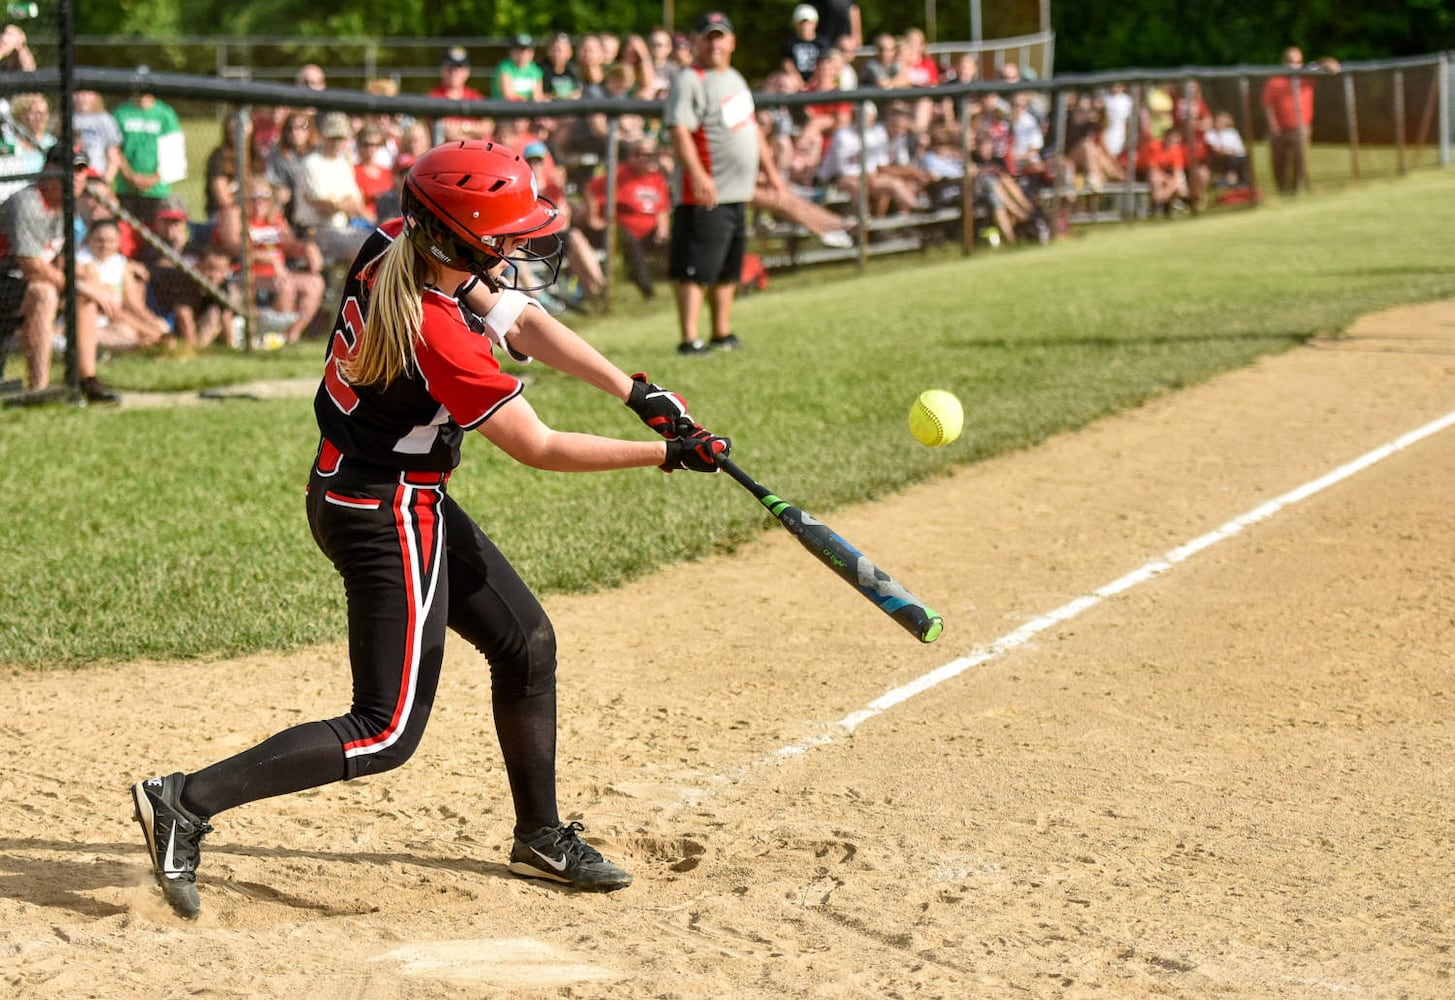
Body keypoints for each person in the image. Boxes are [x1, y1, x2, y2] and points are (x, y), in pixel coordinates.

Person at [129, 138, 731, 920]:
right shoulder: (437, 332)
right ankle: (183, 799)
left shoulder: (398, 244)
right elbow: (538, 447)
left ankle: (540, 834)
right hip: (383, 512)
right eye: (506, 235)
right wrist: (664, 454)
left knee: (526, 643)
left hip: (380, 492)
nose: (519, 246)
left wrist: (634, 389)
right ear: (462, 238)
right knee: (383, 731)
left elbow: (520, 318)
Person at [665, 12, 779, 355]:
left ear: (732, 42)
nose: (715, 43)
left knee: (728, 266)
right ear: (696, 42)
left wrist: (771, 171)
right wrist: (699, 175)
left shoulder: (735, 78)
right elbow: (679, 129)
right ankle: (689, 338)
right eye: (708, 36)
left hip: (735, 192)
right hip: (705, 193)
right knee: (696, 266)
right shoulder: (690, 79)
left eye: (720, 36)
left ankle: (721, 332)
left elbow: (751, 127)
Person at [0, 143, 117, 401]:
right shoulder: (28, 203)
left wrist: (91, 283)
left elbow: (60, 258)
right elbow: (30, 264)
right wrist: (80, 286)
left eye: (81, 170)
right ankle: (38, 389)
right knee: (45, 293)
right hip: (6, 283)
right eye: (70, 170)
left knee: (85, 293)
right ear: (50, 171)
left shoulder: (65, 208)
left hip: (20, 287)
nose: (76, 177)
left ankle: (87, 379)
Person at [585, 138, 671, 300]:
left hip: (650, 230)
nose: (647, 158)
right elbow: (591, 189)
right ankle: (647, 290)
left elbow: (662, 209)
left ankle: (682, 282)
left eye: (651, 155)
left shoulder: (657, 179)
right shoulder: (619, 175)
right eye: (641, 154)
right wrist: (594, 219)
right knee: (629, 241)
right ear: (632, 156)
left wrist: (663, 230)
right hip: (625, 231)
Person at [76, 217, 171, 350]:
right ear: (89, 239)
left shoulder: (120, 263)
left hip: (117, 321)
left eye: (111, 241)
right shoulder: (83, 262)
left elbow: (133, 304)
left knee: (161, 325)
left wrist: (155, 326)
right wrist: (150, 331)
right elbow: (109, 310)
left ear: (118, 242)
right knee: (127, 334)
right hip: (93, 323)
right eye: (99, 240)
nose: (105, 246)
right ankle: (143, 345)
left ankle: (146, 343)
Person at [294, 111, 371, 267]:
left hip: (341, 229)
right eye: (333, 137)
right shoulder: (311, 163)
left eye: (341, 138)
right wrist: (341, 203)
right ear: (323, 137)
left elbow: (356, 204)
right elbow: (326, 207)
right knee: (361, 248)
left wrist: (337, 203)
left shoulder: (343, 164)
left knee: (376, 243)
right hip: (314, 230)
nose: (337, 143)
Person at [1262, 46, 1339, 195]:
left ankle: (1299, 189)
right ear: (1284, 62)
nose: (1294, 65)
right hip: (1279, 129)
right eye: (1290, 61)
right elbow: (1267, 105)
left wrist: (1327, 63)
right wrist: (1273, 126)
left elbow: (1332, 66)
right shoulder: (1275, 80)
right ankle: (1282, 190)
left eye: (1298, 62)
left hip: (1300, 127)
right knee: (1279, 162)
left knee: (1300, 160)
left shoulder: (1306, 76)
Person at [113, 78, 185, 227]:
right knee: (126, 232)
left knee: (154, 234)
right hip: (126, 188)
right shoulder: (120, 113)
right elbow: (114, 149)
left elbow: (173, 151)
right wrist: (130, 176)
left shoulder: (166, 114)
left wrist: (153, 178)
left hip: (157, 190)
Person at [428, 47, 493, 143]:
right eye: (450, 67)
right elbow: (443, 130)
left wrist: (463, 128)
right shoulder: (433, 96)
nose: (454, 72)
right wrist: (472, 132)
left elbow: (488, 126)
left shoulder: (474, 96)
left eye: (459, 67)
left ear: (467, 72)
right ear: (442, 70)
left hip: (472, 151)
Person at [494, 34, 546, 103]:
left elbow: (538, 96)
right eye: (518, 49)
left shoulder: (536, 70)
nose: (523, 53)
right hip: (506, 109)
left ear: (532, 53)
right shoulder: (505, 67)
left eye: (527, 49)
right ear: (511, 51)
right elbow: (508, 95)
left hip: (528, 109)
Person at [783, 4, 824, 84]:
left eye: (808, 23)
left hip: (819, 80)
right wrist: (799, 82)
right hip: (796, 82)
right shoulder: (789, 43)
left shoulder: (822, 43)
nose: (805, 26)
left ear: (815, 23)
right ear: (795, 24)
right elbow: (787, 63)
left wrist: (814, 81)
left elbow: (825, 64)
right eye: (801, 23)